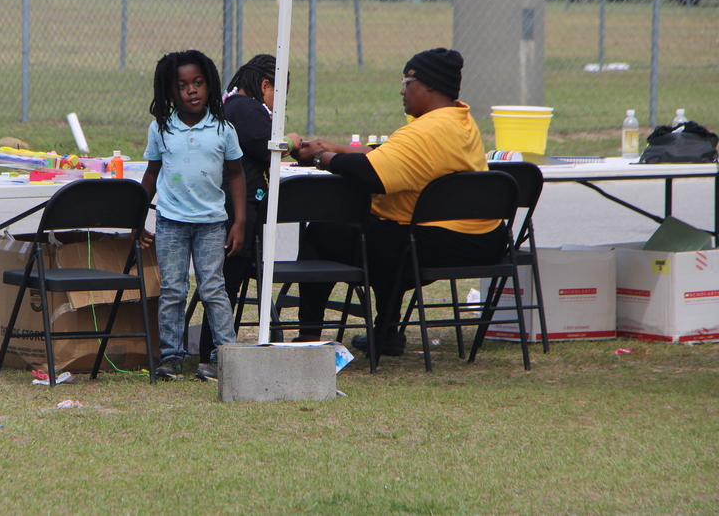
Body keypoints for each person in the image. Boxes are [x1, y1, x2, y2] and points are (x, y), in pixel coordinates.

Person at [289, 47, 507, 354]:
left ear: (428, 85)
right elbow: (388, 153)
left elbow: (371, 174)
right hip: (485, 241)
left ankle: (309, 336)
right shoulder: (460, 121)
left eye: (407, 83)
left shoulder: (424, 132)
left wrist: (322, 158)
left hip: (432, 245)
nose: (401, 90)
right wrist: (336, 148)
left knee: (325, 232)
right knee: (384, 229)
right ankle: (387, 334)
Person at [141, 50, 247, 381]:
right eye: (183, 85)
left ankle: (224, 355)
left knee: (213, 287)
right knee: (173, 289)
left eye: (198, 82)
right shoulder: (160, 129)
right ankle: (170, 357)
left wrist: (239, 221)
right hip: (171, 223)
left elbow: (237, 175)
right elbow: (150, 176)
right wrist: (135, 218)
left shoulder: (223, 129)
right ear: (169, 91)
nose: (192, 90)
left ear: (210, 84)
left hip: (212, 225)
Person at [198, 53, 281, 364]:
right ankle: (213, 353)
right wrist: (294, 143)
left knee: (224, 285)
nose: (279, 105)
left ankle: (213, 349)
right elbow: (269, 147)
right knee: (227, 285)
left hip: (231, 207)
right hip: (238, 211)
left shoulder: (232, 105)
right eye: (280, 94)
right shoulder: (248, 110)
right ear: (264, 85)